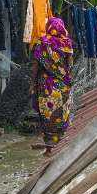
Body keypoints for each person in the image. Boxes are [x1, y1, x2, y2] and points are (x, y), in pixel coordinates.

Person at [30, 17, 74, 156]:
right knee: (61, 116)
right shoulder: (67, 44)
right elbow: (69, 66)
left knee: (47, 117)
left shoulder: (42, 43)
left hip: (46, 87)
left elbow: (35, 66)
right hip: (62, 87)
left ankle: (49, 149)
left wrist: (32, 83)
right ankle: (60, 146)